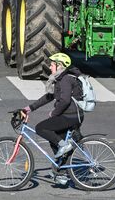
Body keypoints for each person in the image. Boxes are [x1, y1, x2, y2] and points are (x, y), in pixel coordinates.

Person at [20, 53, 84, 185]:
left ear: (59, 65)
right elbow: (49, 97)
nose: (50, 66)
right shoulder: (60, 78)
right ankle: (61, 173)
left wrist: (54, 113)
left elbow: (65, 100)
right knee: (54, 140)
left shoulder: (65, 79)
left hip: (71, 115)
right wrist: (29, 108)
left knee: (41, 127)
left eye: (52, 64)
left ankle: (65, 146)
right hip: (69, 114)